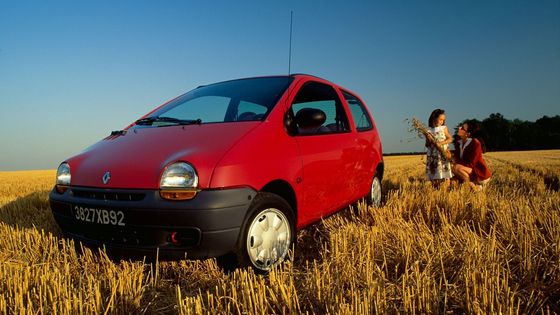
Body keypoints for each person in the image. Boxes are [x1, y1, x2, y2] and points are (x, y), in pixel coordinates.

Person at [452, 120, 492, 191]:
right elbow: (456, 157)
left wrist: (455, 161)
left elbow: (471, 164)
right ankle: (470, 185)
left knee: (456, 168)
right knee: (452, 182)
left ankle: (474, 188)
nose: (459, 128)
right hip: (467, 171)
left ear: (468, 133)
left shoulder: (475, 144)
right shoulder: (459, 144)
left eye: (462, 128)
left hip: (480, 174)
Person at [425, 109, 453, 186]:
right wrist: (428, 139)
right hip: (433, 154)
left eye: (443, 120)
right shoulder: (428, 130)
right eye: (440, 119)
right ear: (434, 118)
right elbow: (427, 145)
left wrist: (441, 143)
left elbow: (450, 139)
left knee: (445, 172)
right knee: (435, 172)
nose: (442, 121)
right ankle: (436, 188)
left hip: (442, 153)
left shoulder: (443, 128)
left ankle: (447, 187)